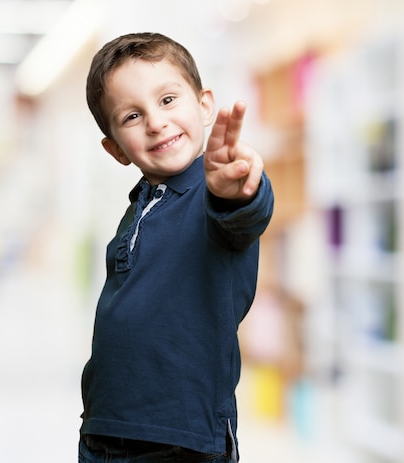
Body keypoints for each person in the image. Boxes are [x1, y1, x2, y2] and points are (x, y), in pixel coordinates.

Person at [79, 32, 274, 463]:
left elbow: (245, 213)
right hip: (105, 433)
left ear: (204, 105)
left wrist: (236, 190)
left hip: (180, 441)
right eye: (132, 116)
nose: (155, 121)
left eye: (167, 100)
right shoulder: (142, 206)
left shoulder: (215, 194)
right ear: (115, 150)